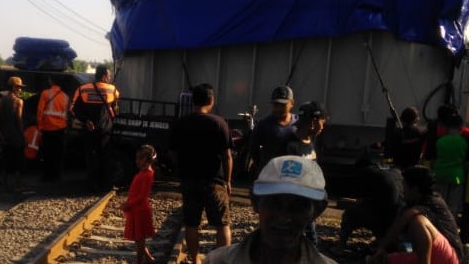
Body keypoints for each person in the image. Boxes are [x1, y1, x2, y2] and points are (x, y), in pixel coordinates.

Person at [204, 155, 336, 264]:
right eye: (274, 203)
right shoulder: (217, 261)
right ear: (255, 203)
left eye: (298, 206)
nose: (283, 217)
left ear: (316, 211)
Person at [170, 83, 233, 264]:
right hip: (214, 182)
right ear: (211, 101)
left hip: (189, 180)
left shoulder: (181, 124)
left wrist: (182, 169)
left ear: (193, 102)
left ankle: (196, 260)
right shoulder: (219, 123)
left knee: (191, 224)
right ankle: (221, 260)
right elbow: (227, 156)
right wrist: (228, 181)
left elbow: (173, 153)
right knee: (222, 224)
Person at [368, 165, 463, 264]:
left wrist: (382, 247)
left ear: (414, 189)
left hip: (449, 256)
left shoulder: (432, 202)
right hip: (429, 252)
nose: (402, 189)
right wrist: (381, 249)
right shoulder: (412, 202)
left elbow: (406, 217)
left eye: (404, 185)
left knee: (417, 222)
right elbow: (398, 222)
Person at [334, 158, 404, 253]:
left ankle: (340, 247)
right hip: (400, 215)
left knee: (349, 214)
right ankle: (383, 243)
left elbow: (359, 200)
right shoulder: (392, 171)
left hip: (383, 215)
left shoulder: (364, 172)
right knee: (376, 209)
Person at [70, 65, 120, 192]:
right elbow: (115, 109)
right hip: (106, 131)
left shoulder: (82, 89)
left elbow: (72, 109)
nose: (109, 78)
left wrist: (86, 121)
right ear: (104, 76)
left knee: (91, 158)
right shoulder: (112, 90)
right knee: (106, 158)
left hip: (89, 130)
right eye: (108, 76)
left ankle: (93, 186)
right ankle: (106, 186)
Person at [286, 101, 326, 245]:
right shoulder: (292, 145)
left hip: (308, 207)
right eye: (322, 122)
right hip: (297, 207)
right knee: (306, 243)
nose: (323, 127)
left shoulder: (309, 141)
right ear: (314, 121)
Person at [248, 85, 297, 178]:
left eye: (283, 105)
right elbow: (253, 150)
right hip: (269, 176)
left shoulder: (299, 124)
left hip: (291, 177)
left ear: (292, 103)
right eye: (275, 105)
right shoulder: (263, 125)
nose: (278, 108)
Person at [120, 144, 157, 264]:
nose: (137, 161)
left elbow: (143, 195)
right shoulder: (143, 172)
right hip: (135, 210)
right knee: (138, 239)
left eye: (140, 159)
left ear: (147, 160)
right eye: (137, 158)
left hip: (140, 211)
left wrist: (128, 204)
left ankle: (139, 261)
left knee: (140, 239)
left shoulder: (148, 174)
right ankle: (149, 258)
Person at [431, 109, 467, 218]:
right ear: (460, 128)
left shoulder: (440, 141)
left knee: (438, 203)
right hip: (456, 177)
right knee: (452, 206)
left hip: (440, 174)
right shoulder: (463, 142)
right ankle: (449, 225)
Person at [37, 75, 70, 182]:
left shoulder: (45, 93)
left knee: (47, 154)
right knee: (59, 154)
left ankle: (47, 176)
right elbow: (67, 114)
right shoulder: (66, 97)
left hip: (47, 128)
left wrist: (40, 127)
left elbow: (40, 112)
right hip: (61, 129)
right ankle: (58, 175)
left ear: (51, 81)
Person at [0, 76, 26, 191]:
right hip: (16, 137)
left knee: (7, 160)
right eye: (19, 87)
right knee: (18, 161)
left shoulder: (1, 100)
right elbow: (19, 120)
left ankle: (5, 184)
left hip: (5, 137)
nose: (21, 90)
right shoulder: (18, 101)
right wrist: (23, 136)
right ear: (14, 87)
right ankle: (18, 185)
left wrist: (0, 134)